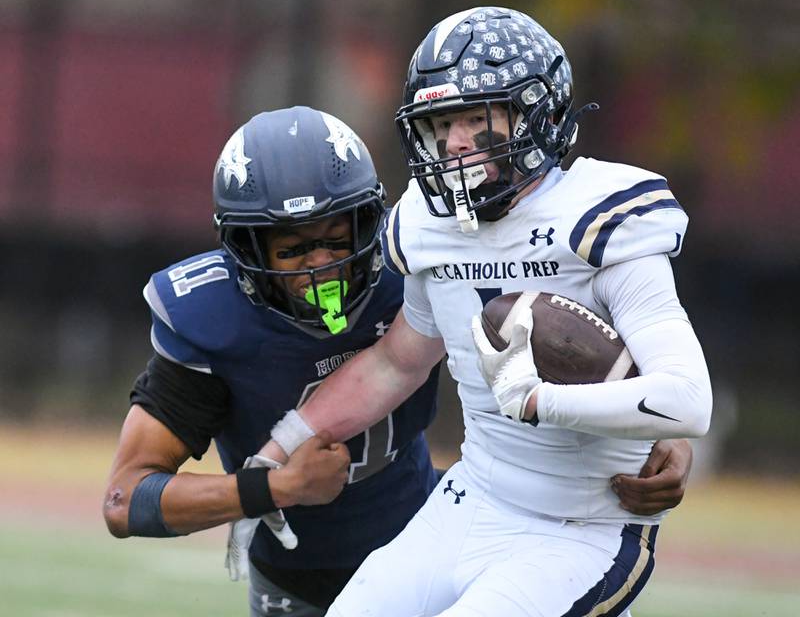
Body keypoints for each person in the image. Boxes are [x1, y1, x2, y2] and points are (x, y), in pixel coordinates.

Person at [103, 105, 692, 617]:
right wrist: (271, 487)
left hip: (428, 534)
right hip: (297, 575)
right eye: (294, 248)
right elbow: (125, 500)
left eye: (337, 237)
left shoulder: (415, 262)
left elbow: (542, 351)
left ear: (368, 220)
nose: (322, 264)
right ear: (246, 251)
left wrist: (654, 435)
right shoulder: (212, 320)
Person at [260, 7, 712, 617]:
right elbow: (396, 363)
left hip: (582, 526)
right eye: (441, 123)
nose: (454, 142)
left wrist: (540, 401)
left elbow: (687, 399)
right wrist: (277, 449)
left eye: (476, 117)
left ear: (538, 112)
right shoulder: (425, 220)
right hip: (474, 498)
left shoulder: (600, 215)